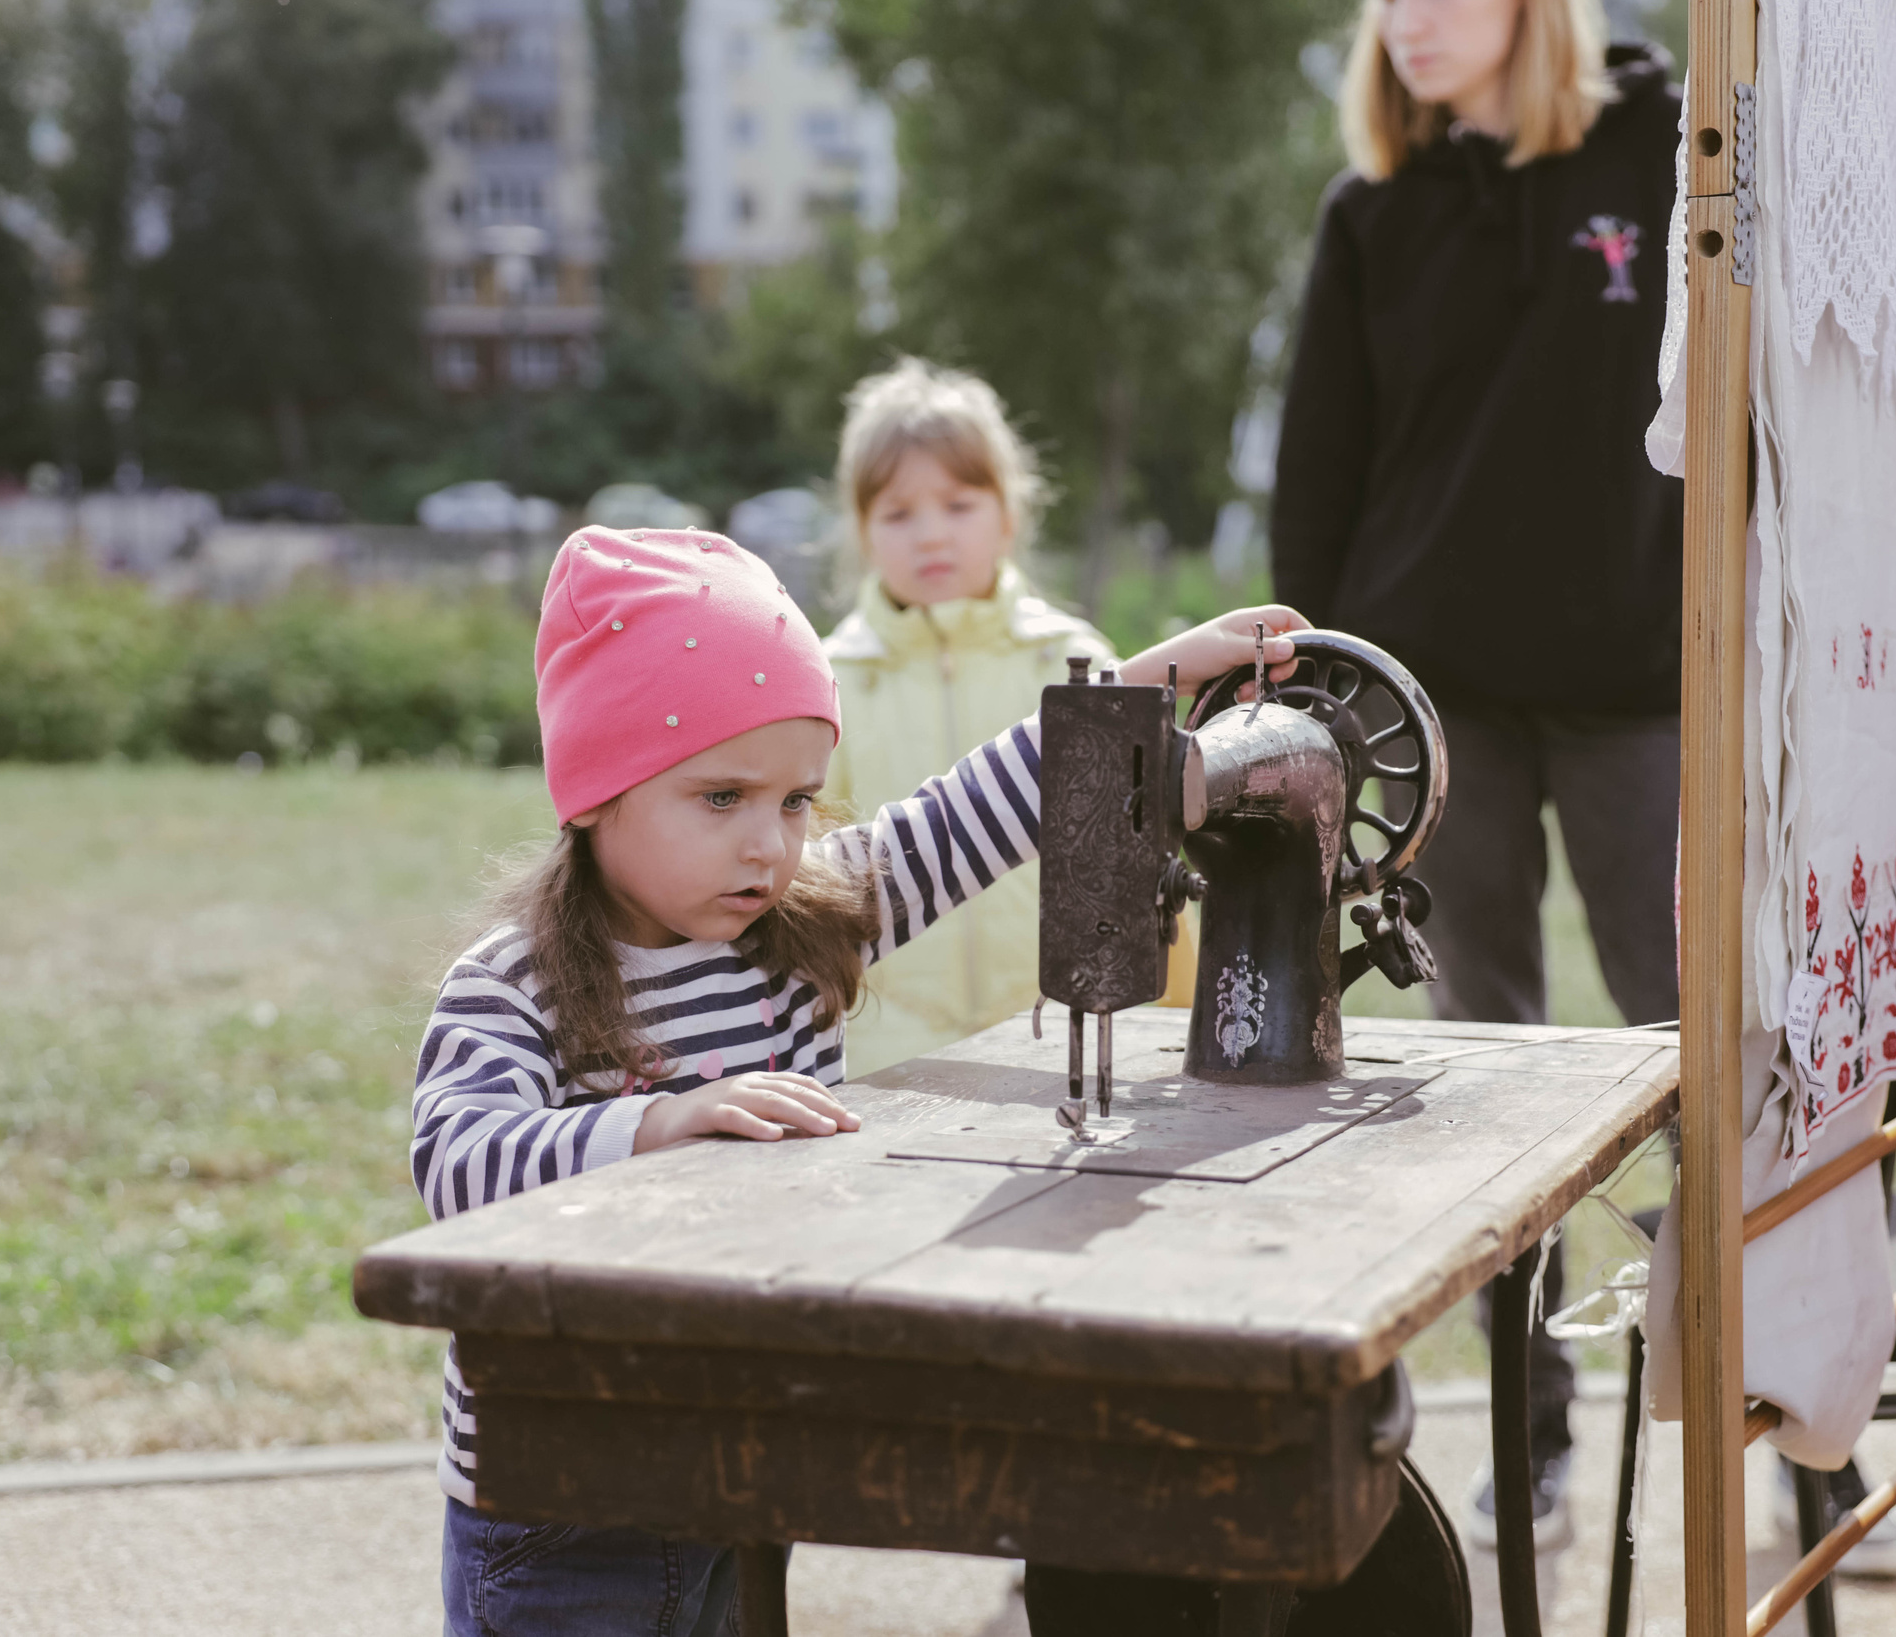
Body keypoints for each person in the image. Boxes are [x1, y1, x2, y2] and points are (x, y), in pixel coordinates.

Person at [415, 522, 1301, 1636]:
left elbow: (972, 809)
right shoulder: (514, 984)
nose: (769, 846)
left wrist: (1146, 684)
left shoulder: (801, 928)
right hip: (562, 1503)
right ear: (595, 789)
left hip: (737, 1474)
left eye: (796, 800)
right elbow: (455, 1163)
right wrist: (656, 1125)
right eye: (722, 798)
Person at [1268, 0, 1683, 1556]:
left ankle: (1756, 1399)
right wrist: (1313, 690)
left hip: (1645, 680)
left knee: (1694, 1048)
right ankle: (1537, 1437)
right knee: (1485, 1075)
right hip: (1436, 704)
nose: (1406, 17)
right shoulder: (1372, 210)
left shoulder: (1670, 151)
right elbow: (1320, 465)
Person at [820, 359, 1184, 1076]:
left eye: (958, 505)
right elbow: (808, 873)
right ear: (863, 532)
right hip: (882, 1061)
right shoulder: (828, 681)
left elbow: (1142, 859)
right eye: (898, 513)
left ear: (1009, 515)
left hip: (1060, 1045)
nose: (931, 535)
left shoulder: (1073, 663)